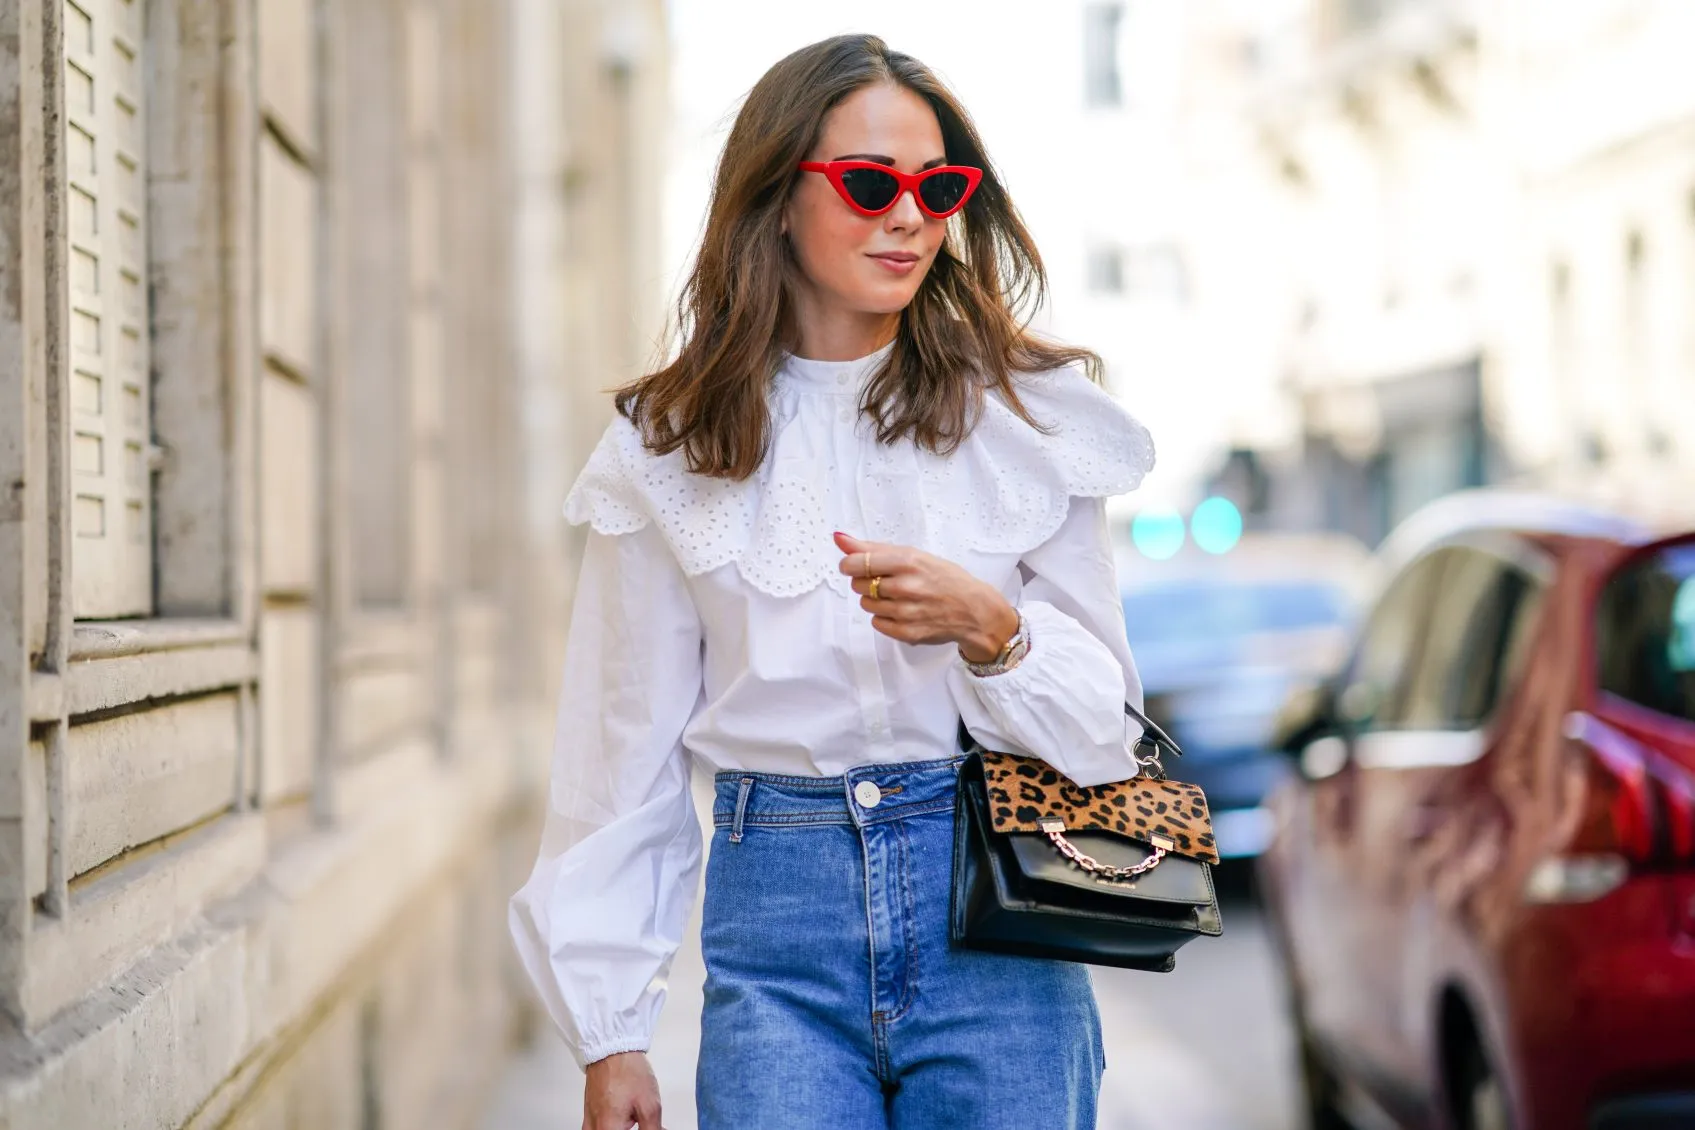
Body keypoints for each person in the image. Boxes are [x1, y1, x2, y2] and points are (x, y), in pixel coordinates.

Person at [509, 33, 1155, 1130]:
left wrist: (994, 629)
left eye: (936, 187)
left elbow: (1107, 734)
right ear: (776, 199)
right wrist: (609, 1032)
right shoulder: (668, 449)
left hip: (996, 922)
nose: (907, 216)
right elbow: (621, 753)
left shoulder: (1028, 422)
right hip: (778, 937)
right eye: (868, 184)